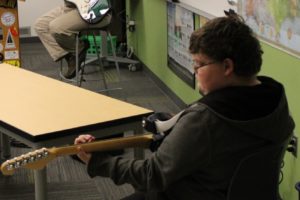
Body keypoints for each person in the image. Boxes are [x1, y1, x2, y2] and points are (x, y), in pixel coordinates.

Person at [73, 11, 295, 200]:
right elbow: (222, 145)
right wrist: (179, 129)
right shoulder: (275, 98)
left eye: (199, 64)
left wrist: (99, 162)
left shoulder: (205, 121)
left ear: (227, 66)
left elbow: (152, 175)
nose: (194, 72)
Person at [34, 0, 112, 79]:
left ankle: (78, 49)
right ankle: (71, 56)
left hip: (93, 10)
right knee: (40, 25)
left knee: (56, 27)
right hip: (71, 7)